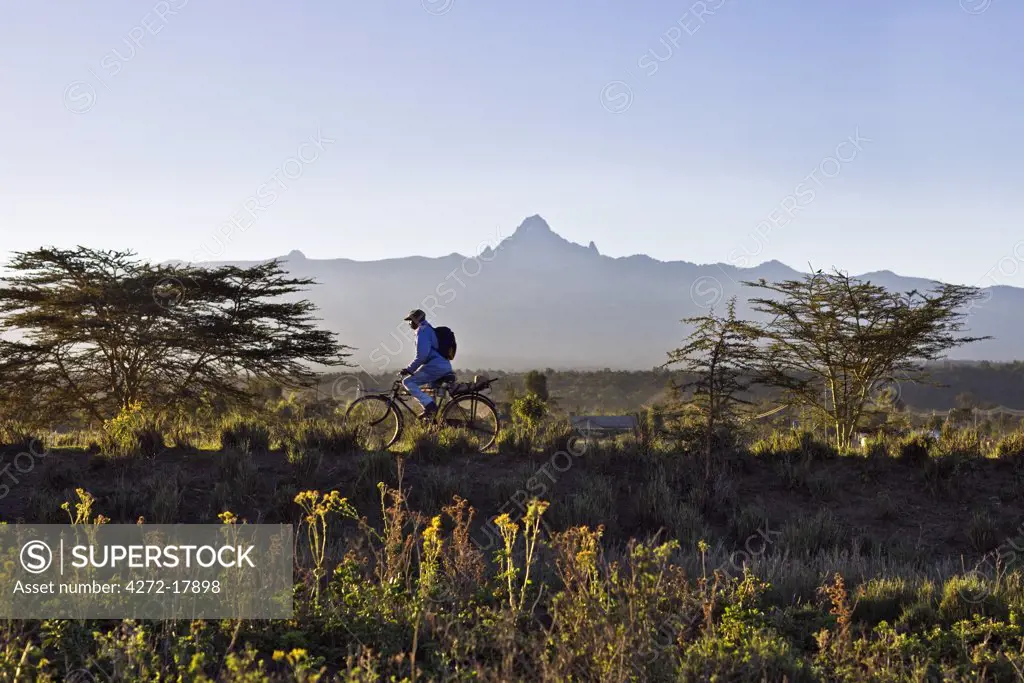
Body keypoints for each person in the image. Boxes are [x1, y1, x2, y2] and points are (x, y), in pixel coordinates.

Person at [399, 309, 452, 419]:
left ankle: (430, 407)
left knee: (408, 381)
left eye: (411, 320)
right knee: (430, 391)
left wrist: (409, 369)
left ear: (416, 320)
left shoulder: (422, 332)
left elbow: (422, 356)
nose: (409, 323)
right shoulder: (427, 329)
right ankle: (432, 421)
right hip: (440, 365)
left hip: (436, 366)